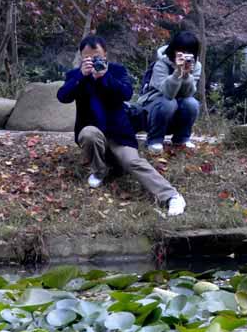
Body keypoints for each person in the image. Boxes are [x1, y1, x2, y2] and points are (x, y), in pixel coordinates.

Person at [57, 35, 186, 216]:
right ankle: (99, 171)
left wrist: (104, 77)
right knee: (88, 134)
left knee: (133, 161)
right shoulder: (75, 75)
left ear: (105, 55)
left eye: (97, 58)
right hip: (93, 130)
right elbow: (63, 97)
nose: (92, 61)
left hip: (119, 133)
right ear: (81, 56)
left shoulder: (117, 71)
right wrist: (81, 75)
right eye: (87, 58)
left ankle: (171, 196)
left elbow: (126, 93)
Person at [137, 30, 202, 153]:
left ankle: (182, 139)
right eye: (181, 51)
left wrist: (187, 75)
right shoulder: (161, 64)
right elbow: (168, 93)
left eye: (189, 52)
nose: (184, 55)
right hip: (152, 110)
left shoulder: (196, 66)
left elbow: (188, 94)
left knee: (192, 103)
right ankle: (154, 140)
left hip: (176, 112)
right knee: (169, 102)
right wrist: (178, 72)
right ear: (174, 49)